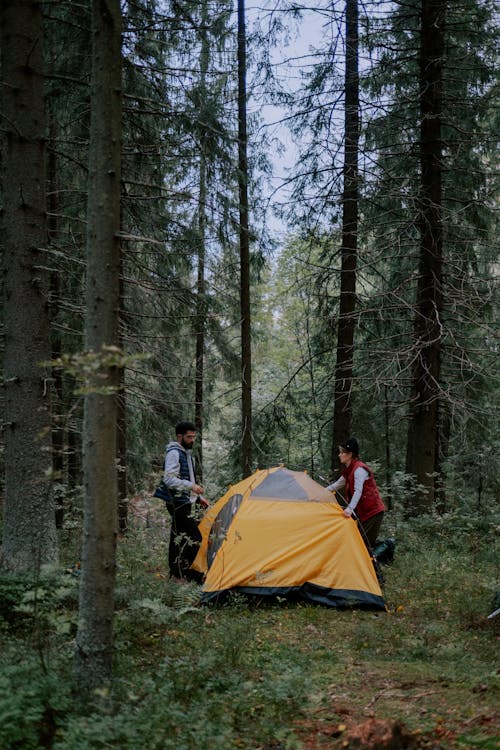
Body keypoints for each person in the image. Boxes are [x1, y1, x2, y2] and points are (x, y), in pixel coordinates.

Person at [154, 421, 208, 582]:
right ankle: (183, 572)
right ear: (179, 436)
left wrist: (198, 497)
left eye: (193, 436)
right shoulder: (174, 453)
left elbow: (188, 478)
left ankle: (177, 573)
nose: (192, 440)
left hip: (184, 501)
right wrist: (191, 486)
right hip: (175, 501)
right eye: (189, 437)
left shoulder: (186, 452)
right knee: (195, 537)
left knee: (179, 535)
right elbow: (169, 480)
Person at [326, 437, 386, 550]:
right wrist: (319, 492)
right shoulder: (349, 470)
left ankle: (373, 565)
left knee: (362, 544)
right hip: (364, 513)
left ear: (349, 454)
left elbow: (358, 491)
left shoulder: (359, 470)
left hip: (373, 512)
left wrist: (349, 509)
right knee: (362, 543)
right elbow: (335, 486)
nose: (339, 455)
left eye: (342, 452)